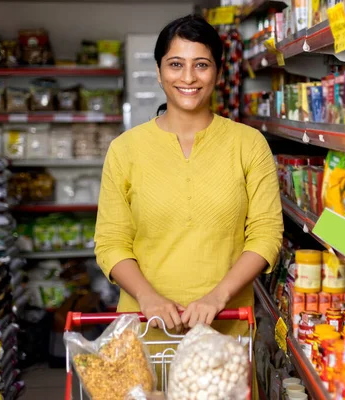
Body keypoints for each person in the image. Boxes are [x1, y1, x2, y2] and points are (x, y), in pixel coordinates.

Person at [95, 14, 283, 353]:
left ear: (217, 72)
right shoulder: (125, 149)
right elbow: (111, 242)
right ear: (158, 71)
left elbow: (266, 233)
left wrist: (217, 296)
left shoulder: (249, 144)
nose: (188, 77)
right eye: (175, 64)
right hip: (143, 329)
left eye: (201, 65)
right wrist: (147, 297)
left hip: (225, 332)